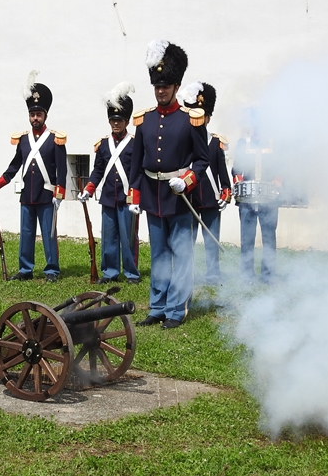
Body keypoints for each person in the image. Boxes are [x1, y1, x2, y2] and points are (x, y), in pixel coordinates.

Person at [128, 40, 209, 329]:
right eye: (157, 86)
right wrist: (135, 196)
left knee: (182, 254)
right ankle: (158, 306)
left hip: (179, 197)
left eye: (166, 85)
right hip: (153, 195)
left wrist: (187, 180)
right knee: (159, 254)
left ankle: (176, 309)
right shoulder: (145, 120)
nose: (161, 91)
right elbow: (136, 162)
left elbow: (202, 160)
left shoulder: (191, 120)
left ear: (175, 87)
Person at [0, 71, 67, 283]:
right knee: (26, 234)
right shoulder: (23, 140)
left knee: (49, 235)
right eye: (32, 114)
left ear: (45, 116)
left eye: (39, 114)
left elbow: (62, 170)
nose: (35, 118)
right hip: (27, 195)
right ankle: (25, 269)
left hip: (47, 194)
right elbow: (14, 167)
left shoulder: (55, 139)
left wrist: (60, 194)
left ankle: (51, 270)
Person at [78, 82, 140, 285]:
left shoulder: (134, 144)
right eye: (113, 120)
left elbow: (138, 172)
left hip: (127, 198)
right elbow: (98, 171)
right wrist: (89, 189)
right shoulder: (103, 144)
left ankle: (131, 272)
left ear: (126, 121)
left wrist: (137, 198)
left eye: (119, 120)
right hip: (108, 197)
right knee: (108, 238)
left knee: (129, 238)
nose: (116, 124)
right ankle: (110, 272)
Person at [178, 82, 233, 285]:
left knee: (211, 239)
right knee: (188, 240)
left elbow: (223, 173)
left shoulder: (216, 142)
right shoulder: (183, 141)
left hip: (210, 200)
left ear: (207, 117)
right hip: (190, 199)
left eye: (202, 115)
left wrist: (225, 194)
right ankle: (188, 272)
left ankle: (212, 273)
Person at [231, 118, 281, 283]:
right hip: (247, 197)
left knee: (269, 237)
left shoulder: (274, 143)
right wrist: (238, 182)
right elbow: (237, 168)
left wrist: (278, 180)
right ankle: (247, 275)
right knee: (247, 237)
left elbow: (282, 166)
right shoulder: (243, 143)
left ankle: (268, 274)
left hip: (270, 197)